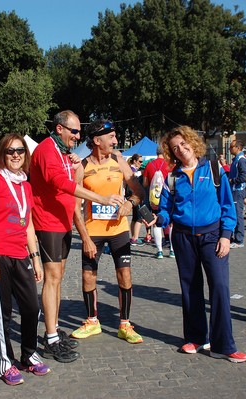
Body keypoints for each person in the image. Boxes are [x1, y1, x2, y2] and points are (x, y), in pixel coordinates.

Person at [29, 110, 124, 363]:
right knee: (52, 278)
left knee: (58, 278)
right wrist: (102, 198)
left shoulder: (61, 152)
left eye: (79, 132)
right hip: (48, 222)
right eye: (74, 131)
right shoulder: (47, 149)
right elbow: (63, 184)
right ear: (60, 129)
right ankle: (50, 339)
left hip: (62, 222)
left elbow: (68, 179)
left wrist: (73, 162)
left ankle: (54, 329)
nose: (79, 136)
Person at [154, 125, 246, 363]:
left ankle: (224, 345)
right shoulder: (172, 177)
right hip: (183, 237)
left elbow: (228, 205)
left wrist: (226, 235)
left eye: (184, 144)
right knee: (190, 289)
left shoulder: (215, 170)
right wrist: (160, 218)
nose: (181, 150)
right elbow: (166, 208)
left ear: (193, 143)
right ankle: (196, 338)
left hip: (212, 236)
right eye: (175, 148)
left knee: (219, 287)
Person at [0, 133, 49, 385]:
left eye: (19, 150)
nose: (15, 154)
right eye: (9, 151)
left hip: (20, 254)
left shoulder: (25, 185)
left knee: (31, 308)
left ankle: (29, 355)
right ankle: (5, 363)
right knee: (1, 313)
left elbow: (27, 224)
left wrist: (36, 258)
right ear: (1, 155)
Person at [71, 120, 146, 344]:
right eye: (111, 137)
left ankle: (125, 324)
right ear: (97, 140)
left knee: (124, 274)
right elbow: (74, 207)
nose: (115, 141)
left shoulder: (119, 161)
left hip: (119, 230)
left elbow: (139, 191)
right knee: (87, 275)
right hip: (92, 231)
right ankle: (92, 321)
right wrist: (85, 238)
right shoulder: (81, 166)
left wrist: (130, 204)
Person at [143, 146, 174, 258]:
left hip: (154, 197)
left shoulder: (149, 165)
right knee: (171, 223)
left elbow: (145, 183)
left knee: (155, 223)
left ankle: (159, 251)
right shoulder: (170, 164)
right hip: (168, 197)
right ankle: (172, 250)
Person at [228, 140, 246, 248]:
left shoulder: (241, 160)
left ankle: (239, 240)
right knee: (234, 213)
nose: (230, 149)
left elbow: (243, 177)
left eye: (231, 147)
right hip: (234, 190)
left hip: (238, 190)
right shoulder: (236, 160)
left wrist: (232, 181)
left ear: (237, 148)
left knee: (238, 214)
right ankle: (233, 237)